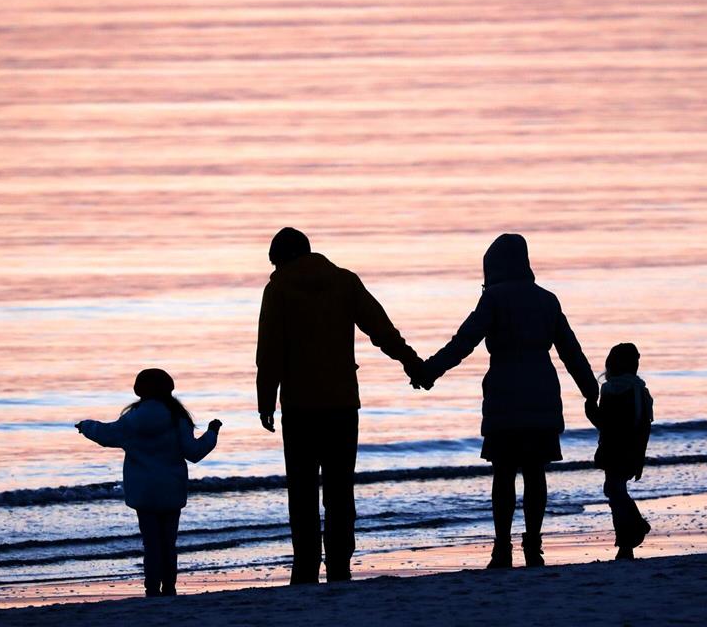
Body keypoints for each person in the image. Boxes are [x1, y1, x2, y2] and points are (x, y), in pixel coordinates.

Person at [255, 227, 428, 584]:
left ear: (281, 258)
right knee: (339, 488)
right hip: (342, 404)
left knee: (302, 490)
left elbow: (269, 350)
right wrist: (411, 362)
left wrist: (265, 400)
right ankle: (339, 563)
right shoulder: (345, 282)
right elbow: (381, 330)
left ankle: (305, 565)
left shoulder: (279, 289)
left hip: (300, 406)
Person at [418, 233, 598, 568]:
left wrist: (430, 371)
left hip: (503, 394)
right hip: (542, 393)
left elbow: (464, 342)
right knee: (535, 472)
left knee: (503, 474)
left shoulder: (494, 299)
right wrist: (591, 392)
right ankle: (533, 543)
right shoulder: (547, 300)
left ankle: (502, 546)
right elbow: (571, 352)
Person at [76, 368, 221, 596]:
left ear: (138, 390)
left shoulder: (132, 421)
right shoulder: (177, 418)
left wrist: (85, 426)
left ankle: (152, 588)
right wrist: (212, 432)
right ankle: (169, 587)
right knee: (168, 543)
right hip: (171, 489)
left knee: (151, 544)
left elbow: (105, 434)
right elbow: (194, 452)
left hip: (143, 492)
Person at [586, 342, 653, 560]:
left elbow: (606, 423)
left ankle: (632, 531)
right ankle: (627, 542)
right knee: (615, 492)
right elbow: (643, 427)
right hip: (625, 449)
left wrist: (591, 414)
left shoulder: (618, 391)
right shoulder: (638, 391)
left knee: (615, 491)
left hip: (617, 449)